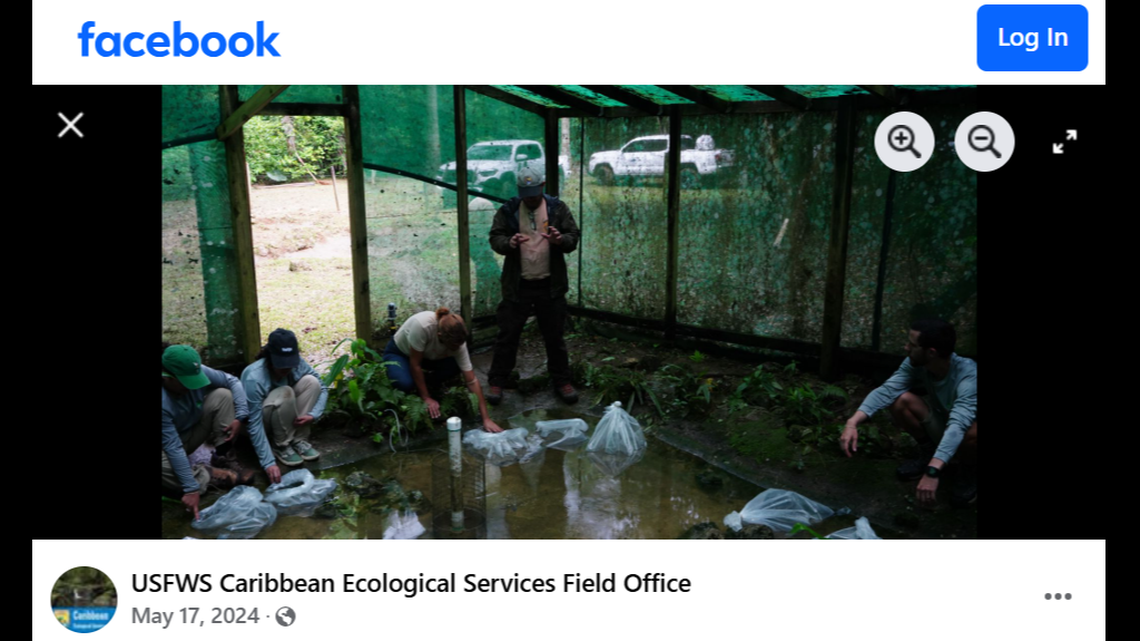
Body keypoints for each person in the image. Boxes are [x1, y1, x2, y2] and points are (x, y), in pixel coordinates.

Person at [839, 318, 977, 507]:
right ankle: (928, 454)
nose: (906, 348)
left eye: (912, 345)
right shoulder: (916, 363)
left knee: (972, 431)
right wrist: (852, 422)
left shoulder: (968, 375)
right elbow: (887, 391)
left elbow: (958, 426)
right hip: (945, 424)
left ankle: (968, 470)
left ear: (931, 352)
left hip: (966, 436)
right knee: (901, 401)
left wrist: (932, 472)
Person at [486, 163, 581, 405]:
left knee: (554, 337)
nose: (529, 200)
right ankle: (497, 382)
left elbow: (573, 237)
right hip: (518, 286)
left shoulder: (557, 208)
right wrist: (509, 242)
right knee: (507, 336)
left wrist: (561, 240)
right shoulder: (508, 210)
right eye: (525, 196)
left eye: (534, 195)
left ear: (542, 187)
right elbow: (495, 238)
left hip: (550, 285)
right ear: (519, 191)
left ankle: (562, 381)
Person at [162, 344, 266, 520]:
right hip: (166, 447)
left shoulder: (195, 370)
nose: (192, 387)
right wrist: (190, 488)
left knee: (223, 395)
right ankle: (207, 475)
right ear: (167, 377)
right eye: (185, 382)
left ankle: (224, 458)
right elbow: (173, 447)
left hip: (190, 432)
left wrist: (240, 416)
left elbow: (232, 381)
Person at [385, 308, 503, 433]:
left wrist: (486, 418)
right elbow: (415, 365)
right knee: (404, 383)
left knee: (456, 366)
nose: (456, 349)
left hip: (428, 356)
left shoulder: (458, 341)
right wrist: (426, 398)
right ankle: (417, 384)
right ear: (439, 335)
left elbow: (472, 380)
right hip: (401, 353)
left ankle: (426, 383)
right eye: (452, 347)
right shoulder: (423, 326)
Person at [241, 328, 329, 468]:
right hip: (260, 422)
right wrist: (268, 462)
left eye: (290, 363)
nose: (286, 368)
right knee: (285, 392)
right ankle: (280, 445)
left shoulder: (299, 363)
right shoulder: (254, 377)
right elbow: (253, 422)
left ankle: (298, 440)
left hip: (283, 415)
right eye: (281, 363)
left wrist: (314, 415)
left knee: (311, 382)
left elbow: (323, 387)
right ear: (270, 356)